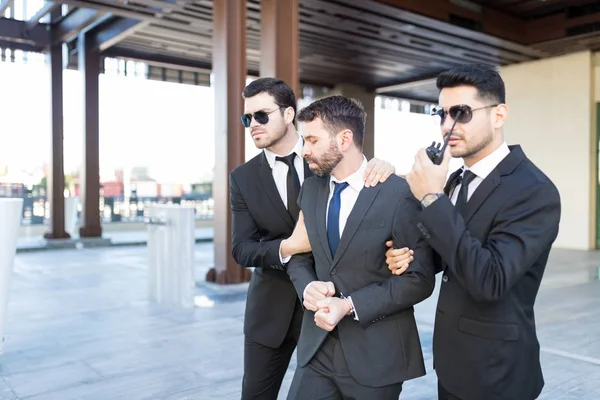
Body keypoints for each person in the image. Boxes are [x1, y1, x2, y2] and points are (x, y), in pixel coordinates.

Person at [392, 64, 561, 400]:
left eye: (461, 112)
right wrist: (409, 255)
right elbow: (447, 254)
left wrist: (431, 198)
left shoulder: (535, 191)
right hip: (452, 363)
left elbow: (491, 279)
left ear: (499, 115)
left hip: (498, 373)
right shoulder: (454, 180)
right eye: (441, 113)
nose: (446, 125)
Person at [230, 77, 403, 400]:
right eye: (247, 118)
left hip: (333, 311)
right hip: (272, 311)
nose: (252, 124)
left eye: (261, 115)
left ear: (288, 114)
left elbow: (361, 181)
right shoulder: (242, 178)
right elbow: (241, 249)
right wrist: (290, 246)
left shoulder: (327, 156)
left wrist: (384, 166)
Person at [284, 95, 436, 400]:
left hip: (377, 355)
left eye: (313, 139)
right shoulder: (310, 189)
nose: (304, 149)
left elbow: (418, 281)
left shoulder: (399, 193)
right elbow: (300, 255)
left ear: (344, 139)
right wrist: (308, 287)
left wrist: (350, 305)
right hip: (317, 350)